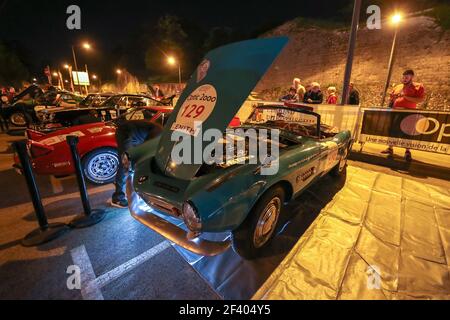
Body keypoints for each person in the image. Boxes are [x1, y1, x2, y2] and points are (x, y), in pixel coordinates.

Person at [111, 114, 163, 208]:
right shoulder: (159, 132)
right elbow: (147, 150)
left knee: (132, 164)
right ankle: (118, 198)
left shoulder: (159, 131)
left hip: (132, 134)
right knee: (126, 164)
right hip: (126, 134)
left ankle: (127, 185)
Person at [381, 69, 425, 161]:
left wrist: (405, 97)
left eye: (406, 77)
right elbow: (392, 99)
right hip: (395, 111)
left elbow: (420, 100)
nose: (404, 79)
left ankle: (407, 152)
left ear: (411, 77)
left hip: (409, 113)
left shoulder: (418, 86)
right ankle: (390, 148)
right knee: (392, 130)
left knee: (407, 132)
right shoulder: (398, 86)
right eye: (403, 77)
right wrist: (392, 98)